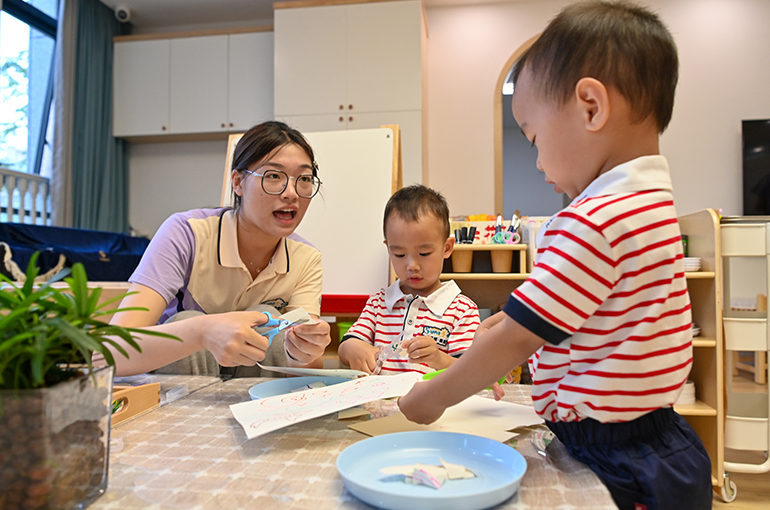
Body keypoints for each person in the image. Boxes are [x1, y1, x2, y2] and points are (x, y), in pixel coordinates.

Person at [398, 2, 712, 509]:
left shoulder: (594, 219)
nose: (539, 162)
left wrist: (430, 399)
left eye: (535, 138)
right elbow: (560, 313)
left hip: (616, 459)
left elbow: (522, 337)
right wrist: (497, 326)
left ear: (591, 107)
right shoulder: (650, 205)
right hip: (658, 442)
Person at [102, 121, 332, 377]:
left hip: (257, 405)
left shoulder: (306, 258)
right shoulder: (186, 233)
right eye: (274, 176)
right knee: (187, 321)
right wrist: (201, 332)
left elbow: (308, 371)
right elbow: (108, 356)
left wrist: (306, 351)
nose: (291, 193)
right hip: (176, 396)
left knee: (266, 317)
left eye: (304, 179)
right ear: (238, 182)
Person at [337, 184, 480, 376]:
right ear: (388, 249)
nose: (412, 265)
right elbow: (347, 346)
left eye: (424, 253)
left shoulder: (462, 310)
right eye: (400, 254)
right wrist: (352, 347)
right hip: (380, 401)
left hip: (433, 404)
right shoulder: (379, 303)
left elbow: (472, 372)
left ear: (447, 248)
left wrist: (439, 359)